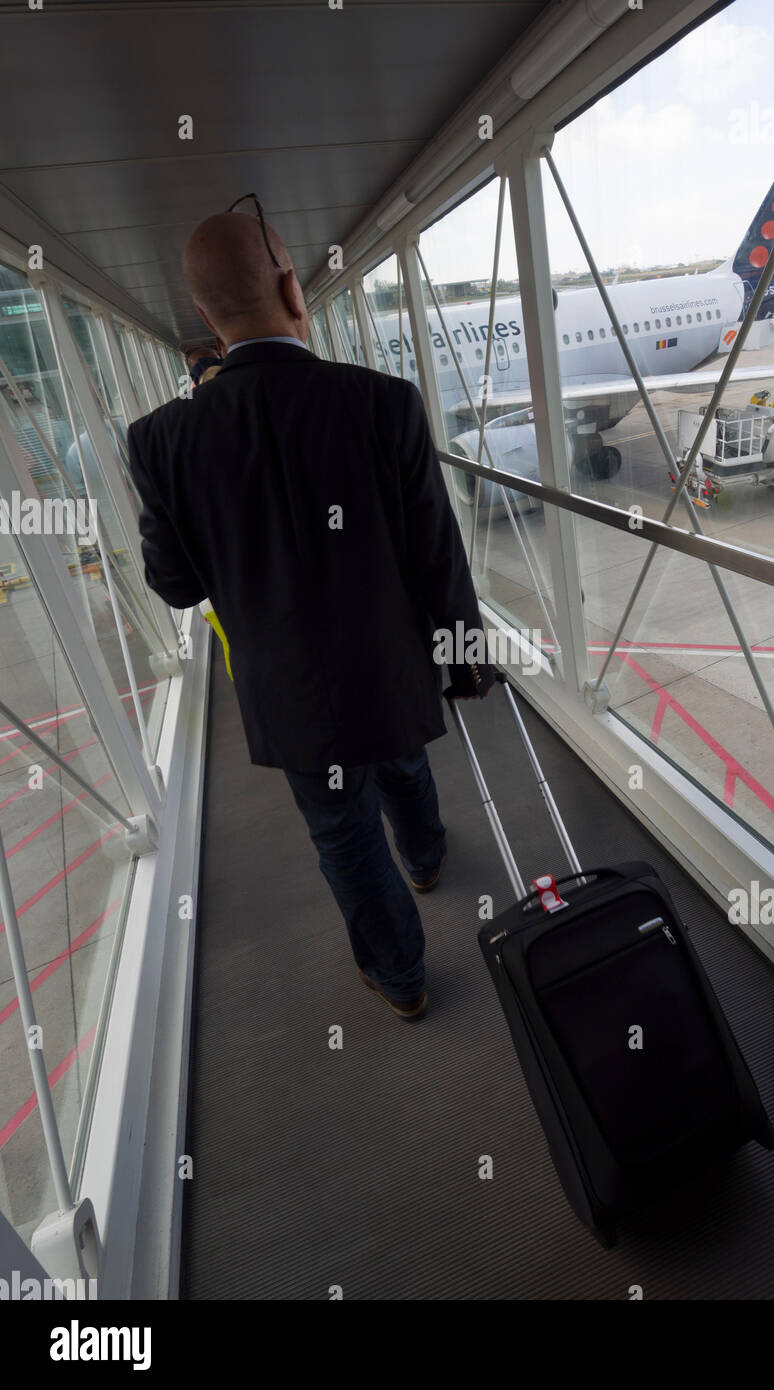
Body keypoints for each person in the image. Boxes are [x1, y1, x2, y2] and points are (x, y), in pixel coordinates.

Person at [127, 202, 495, 1021]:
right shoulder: (382, 402)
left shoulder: (160, 440)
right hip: (390, 664)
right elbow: (437, 556)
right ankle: (429, 857)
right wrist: (464, 658)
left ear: (203, 315)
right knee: (401, 762)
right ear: (293, 288)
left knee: (341, 832)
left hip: (289, 691)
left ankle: (401, 980)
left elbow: (178, 584)